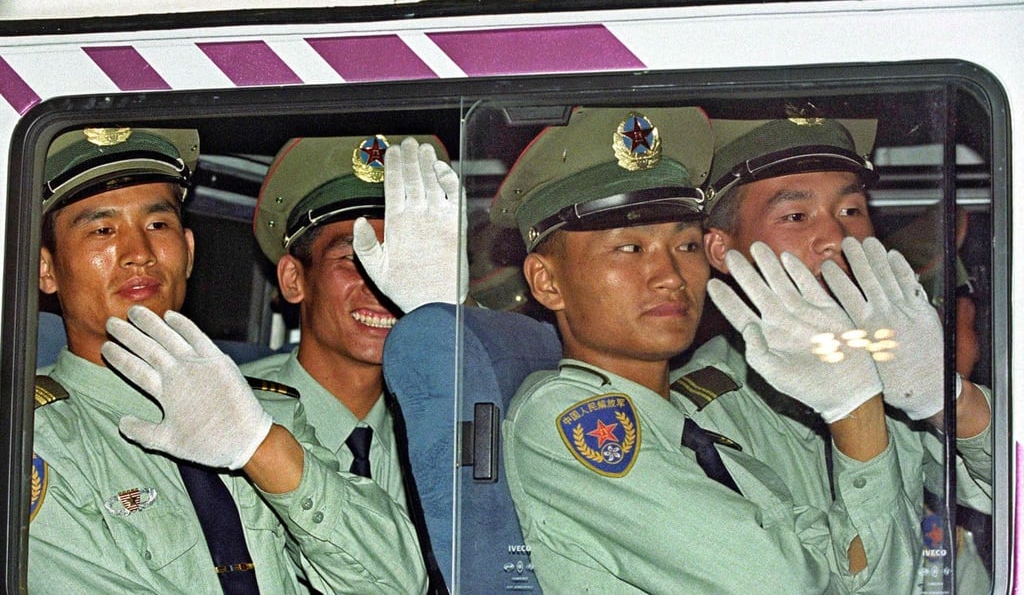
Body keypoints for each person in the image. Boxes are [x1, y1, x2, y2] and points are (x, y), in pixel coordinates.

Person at [496, 106, 922, 592]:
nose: (670, 277)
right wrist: (855, 409)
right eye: (630, 249)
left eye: (687, 247)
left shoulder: (702, 440)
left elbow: (871, 579)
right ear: (547, 282)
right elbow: (784, 585)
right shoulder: (570, 420)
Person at [30, 126, 428, 592]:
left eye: (158, 225)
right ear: (46, 269)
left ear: (190, 252)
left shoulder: (261, 412)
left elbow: (397, 582)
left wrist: (260, 446)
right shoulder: (35, 439)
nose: (139, 254)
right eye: (102, 229)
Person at [680, 115, 992, 591]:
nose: (836, 238)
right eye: (795, 216)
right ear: (721, 250)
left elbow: (1002, 493)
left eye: (851, 211)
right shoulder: (699, 419)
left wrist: (947, 398)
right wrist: (854, 409)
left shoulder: (895, 364)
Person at [241, 134, 463, 592]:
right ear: (293, 278)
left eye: (398, 263)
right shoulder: (235, 416)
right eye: (352, 260)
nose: (382, 287)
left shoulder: (451, 424)